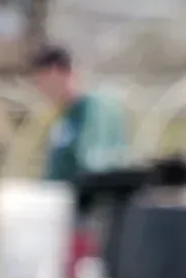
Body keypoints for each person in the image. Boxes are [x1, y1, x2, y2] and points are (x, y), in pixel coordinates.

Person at [26, 45, 129, 278]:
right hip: (63, 211)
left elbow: (92, 163)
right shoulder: (68, 114)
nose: (41, 90)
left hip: (89, 213)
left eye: (41, 81)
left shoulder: (92, 108)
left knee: (84, 276)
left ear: (56, 73)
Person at [27, 45, 127, 185]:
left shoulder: (95, 109)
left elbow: (95, 165)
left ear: (59, 73)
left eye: (42, 80)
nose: (41, 89)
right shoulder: (65, 117)